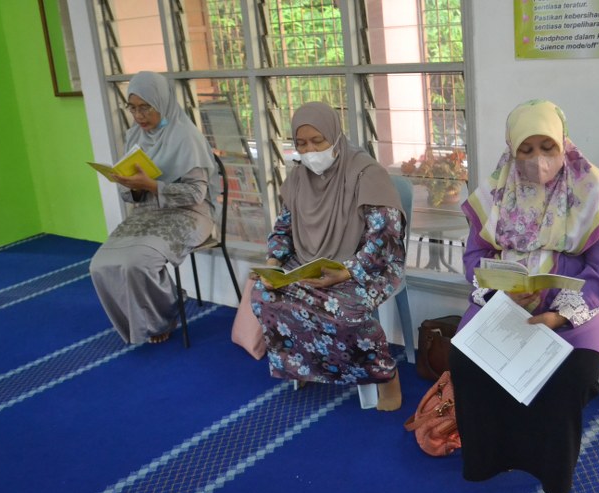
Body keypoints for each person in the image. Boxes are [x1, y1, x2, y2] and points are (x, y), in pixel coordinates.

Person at [448, 99, 599, 493]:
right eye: (525, 149)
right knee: (465, 362)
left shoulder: (594, 195)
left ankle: (551, 471)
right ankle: (487, 460)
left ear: (564, 144)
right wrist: (497, 296)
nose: (537, 159)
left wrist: (559, 316)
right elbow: (474, 258)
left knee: (567, 377)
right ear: (511, 150)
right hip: (502, 307)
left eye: (547, 147)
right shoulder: (494, 194)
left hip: (571, 318)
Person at [249, 102, 406, 411]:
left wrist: (347, 272)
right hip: (307, 264)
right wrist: (272, 265)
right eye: (301, 144)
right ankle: (307, 363)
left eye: (317, 141)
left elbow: (385, 237)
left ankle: (386, 377)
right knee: (262, 296)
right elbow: (283, 228)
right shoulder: (298, 178)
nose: (310, 151)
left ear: (334, 136)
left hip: (367, 266)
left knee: (344, 311)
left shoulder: (366, 173)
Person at [90, 71, 218, 345]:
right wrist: (133, 186)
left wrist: (152, 185)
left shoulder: (186, 137)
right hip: (149, 211)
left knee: (138, 262)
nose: (139, 116)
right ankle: (145, 316)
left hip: (190, 214)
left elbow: (196, 194)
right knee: (100, 265)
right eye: (133, 108)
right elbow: (133, 195)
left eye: (145, 107)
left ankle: (163, 316)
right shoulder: (135, 136)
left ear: (162, 102)